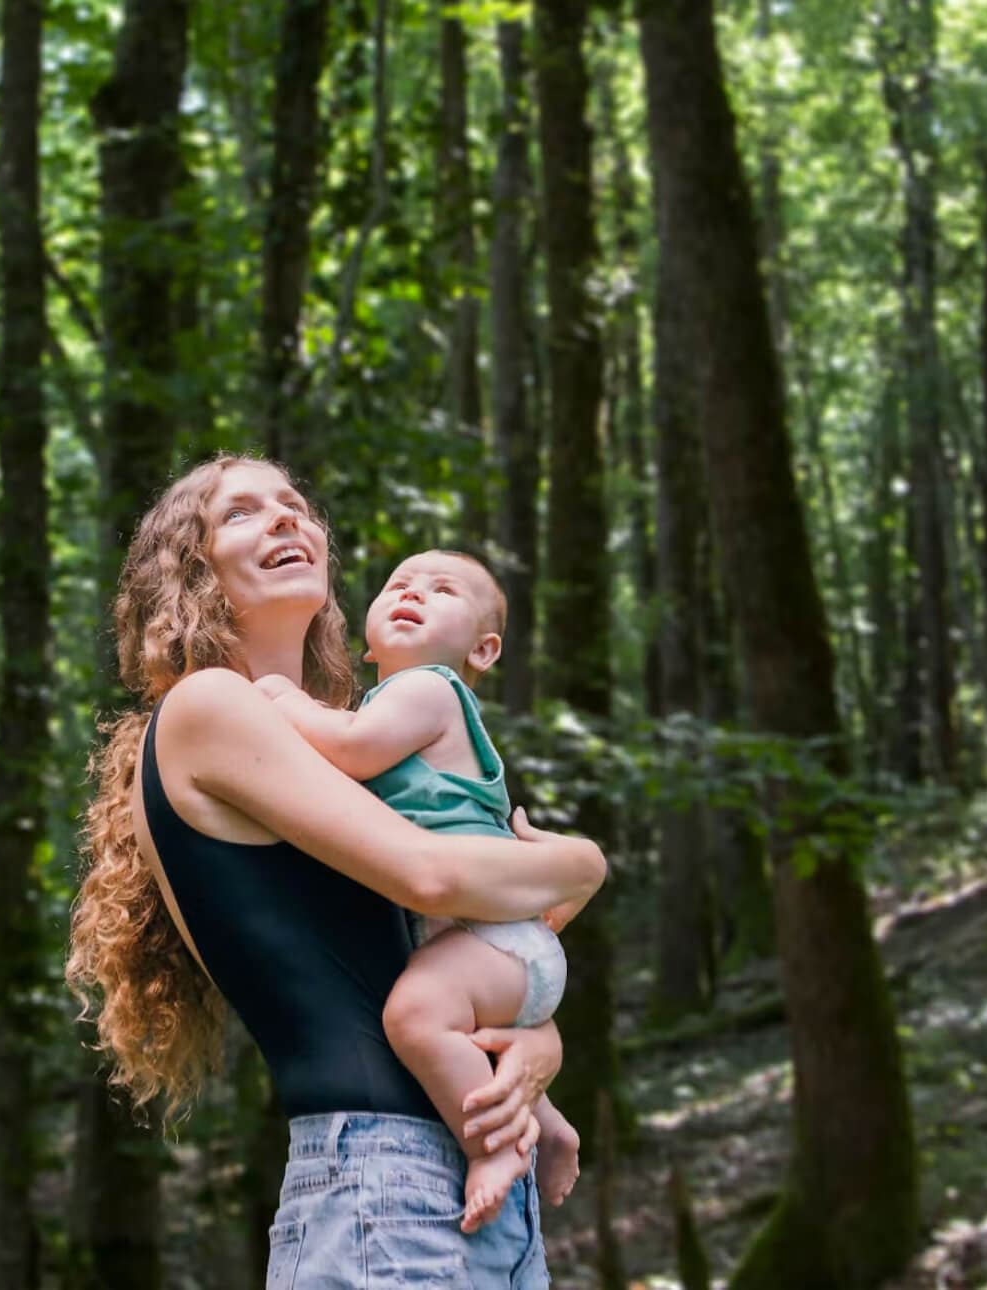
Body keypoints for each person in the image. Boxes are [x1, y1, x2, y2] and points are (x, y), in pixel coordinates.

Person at [66, 456, 606, 1288]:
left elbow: (439, 951)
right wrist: (583, 861)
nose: (285, 518)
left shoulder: (345, 744)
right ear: (192, 572)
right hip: (385, 1191)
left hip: (457, 1181)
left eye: (293, 505)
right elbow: (430, 878)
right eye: (242, 514)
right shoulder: (210, 708)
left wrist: (536, 1041)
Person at [252, 549, 582, 1233]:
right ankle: (546, 1126)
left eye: (442, 590)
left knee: (415, 1017)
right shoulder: (401, 704)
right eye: (399, 585)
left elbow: (349, 750)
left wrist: (284, 701)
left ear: (484, 650)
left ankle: (491, 1149)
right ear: (368, 644)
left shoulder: (429, 690)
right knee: (457, 1027)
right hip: (489, 945)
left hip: (497, 940)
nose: (414, 593)